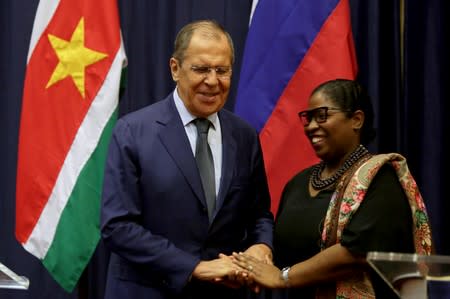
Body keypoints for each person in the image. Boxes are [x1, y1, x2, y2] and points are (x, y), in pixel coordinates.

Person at [100, 19, 274, 299]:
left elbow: (259, 215)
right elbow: (118, 227)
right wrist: (194, 267)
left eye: (222, 70)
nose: (213, 81)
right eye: (201, 69)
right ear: (175, 69)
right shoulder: (133, 132)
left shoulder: (244, 137)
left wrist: (261, 247)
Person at [232, 79, 433, 298]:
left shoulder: (382, 179)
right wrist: (245, 265)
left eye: (322, 116)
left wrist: (283, 277)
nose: (310, 126)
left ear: (356, 119)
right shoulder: (298, 183)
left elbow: (356, 253)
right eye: (308, 118)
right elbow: (278, 252)